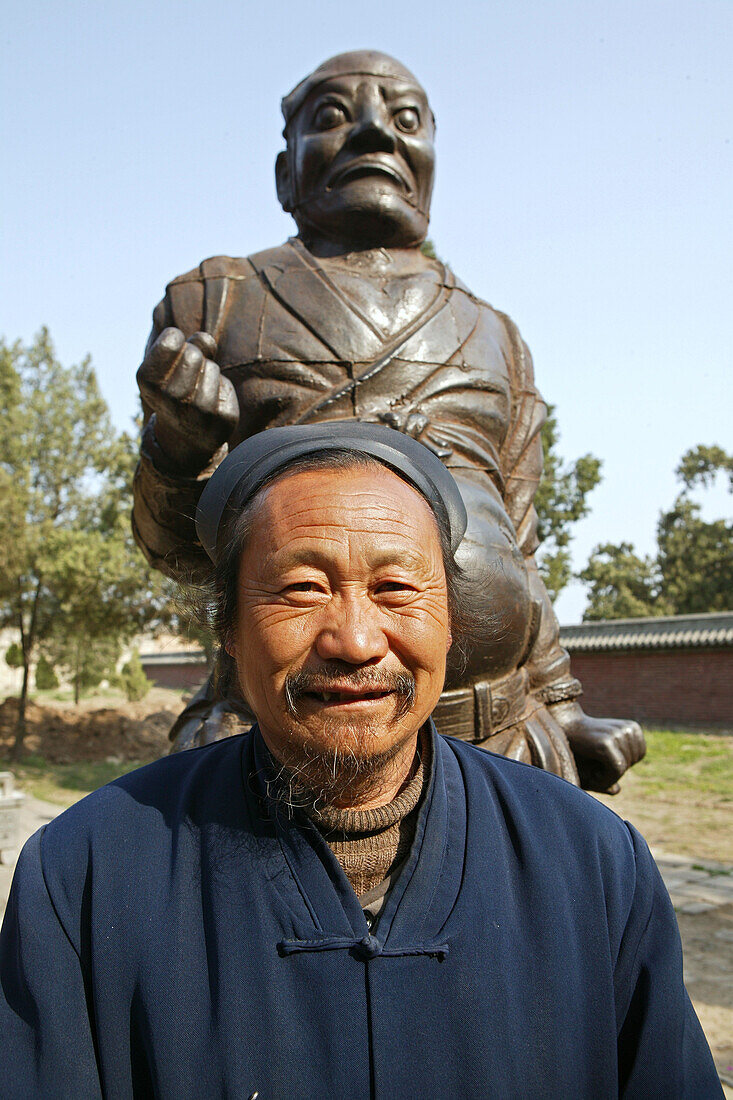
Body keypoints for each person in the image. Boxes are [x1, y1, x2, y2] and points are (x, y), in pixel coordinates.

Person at [0, 424, 721, 1098]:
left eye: (395, 588)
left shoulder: (589, 861)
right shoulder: (85, 874)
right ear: (226, 627)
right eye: (302, 588)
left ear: (450, 625)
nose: (353, 639)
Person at [132, 49, 645, 791]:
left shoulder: (495, 333)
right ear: (285, 174)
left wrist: (560, 705)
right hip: (286, 721)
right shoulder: (221, 300)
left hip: (493, 730)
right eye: (333, 118)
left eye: (406, 119)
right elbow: (178, 553)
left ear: (432, 162)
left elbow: (520, 542)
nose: (375, 134)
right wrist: (175, 452)